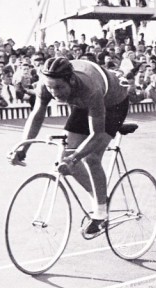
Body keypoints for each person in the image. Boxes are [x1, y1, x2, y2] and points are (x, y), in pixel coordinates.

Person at [7, 57, 130, 238]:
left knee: (91, 157)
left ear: (71, 80)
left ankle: (101, 213)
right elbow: (37, 115)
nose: (54, 93)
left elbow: (96, 135)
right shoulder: (47, 83)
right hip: (81, 103)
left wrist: (74, 159)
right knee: (64, 159)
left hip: (113, 104)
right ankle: (99, 197)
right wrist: (22, 148)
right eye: (51, 88)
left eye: (59, 87)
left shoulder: (90, 89)